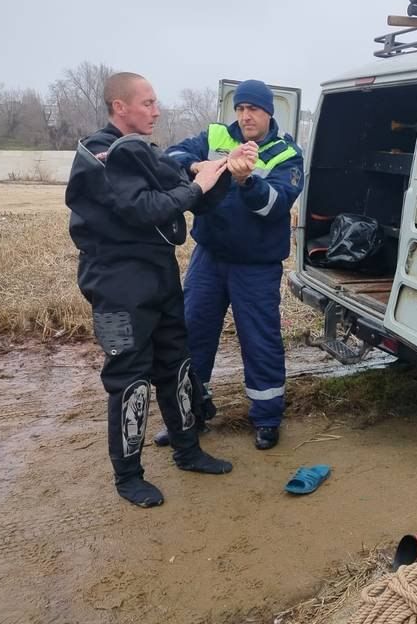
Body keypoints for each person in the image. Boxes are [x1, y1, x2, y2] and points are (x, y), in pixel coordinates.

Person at [66, 72, 237, 508]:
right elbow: (144, 208)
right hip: (114, 285)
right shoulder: (100, 154)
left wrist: (220, 172)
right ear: (119, 106)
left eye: (156, 103)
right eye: (148, 103)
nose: (156, 111)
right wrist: (196, 184)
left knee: (176, 363)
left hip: (158, 275)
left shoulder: (142, 151)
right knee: (128, 377)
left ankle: (188, 450)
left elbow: (186, 192)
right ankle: (128, 477)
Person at [160, 80, 304, 450]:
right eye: (240, 108)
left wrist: (246, 181)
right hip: (209, 258)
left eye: (253, 109)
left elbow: (276, 206)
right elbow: (171, 158)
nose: (245, 116)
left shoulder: (286, 154)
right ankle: (189, 415)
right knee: (191, 334)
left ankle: (266, 419)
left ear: (269, 112)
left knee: (260, 340)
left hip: (256, 266)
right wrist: (200, 165)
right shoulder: (215, 136)